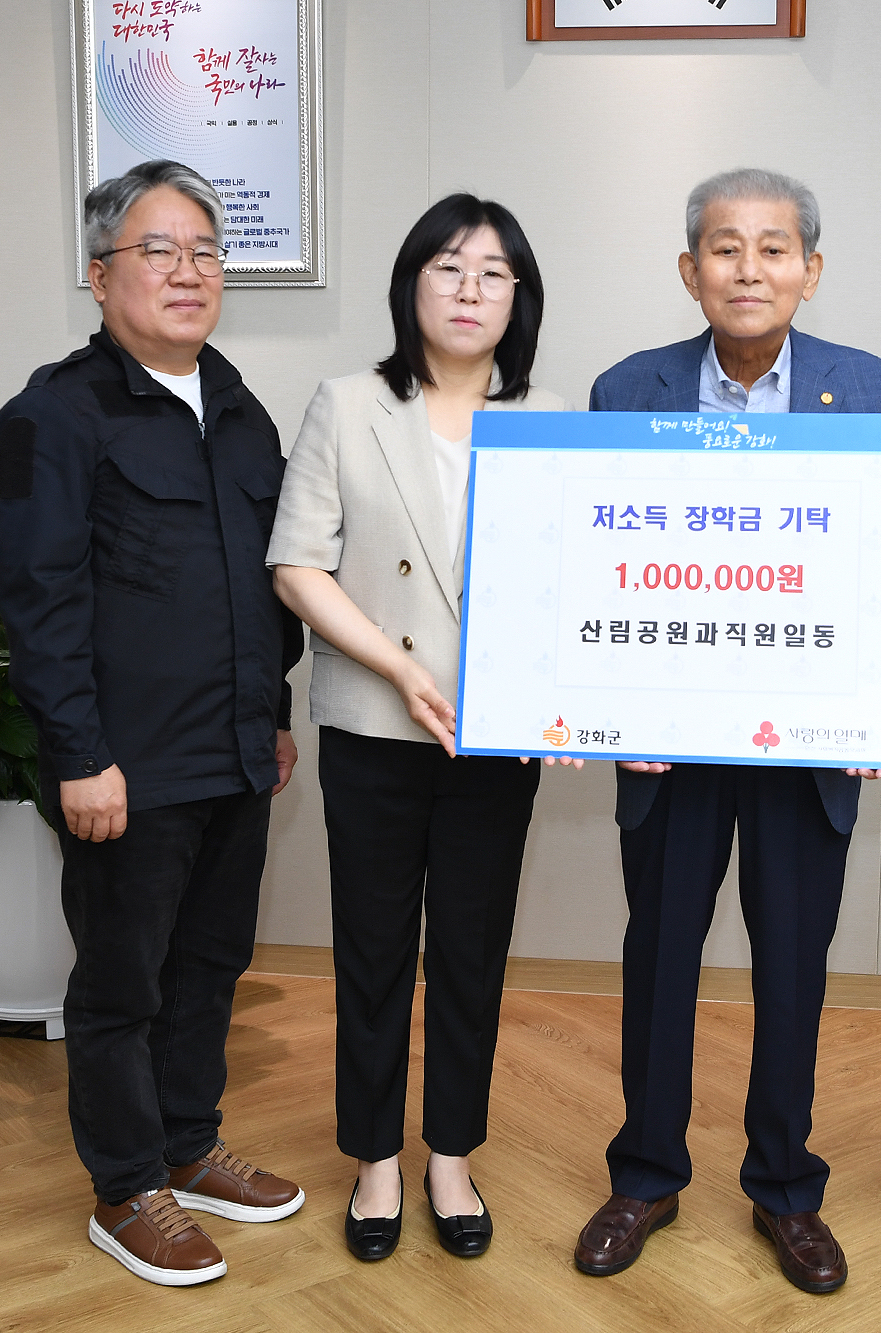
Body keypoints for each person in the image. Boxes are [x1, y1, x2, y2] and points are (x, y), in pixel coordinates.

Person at [570, 168, 881, 1296]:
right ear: (689, 270)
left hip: (807, 743)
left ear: (811, 270)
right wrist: (610, 708)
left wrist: (880, 703)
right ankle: (645, 1175)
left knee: (793, 967)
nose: (748, 269)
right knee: (660, 956)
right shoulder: (627, 389)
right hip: (670, 743)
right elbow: (599, 559)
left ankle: (786, 1188)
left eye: (773, 249)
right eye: (725, 248)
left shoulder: (873, 392)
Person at [0, 159, 306, 1288]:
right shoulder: (56, 414)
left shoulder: (240, 409)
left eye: (206, 252)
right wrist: (79, 754)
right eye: (157, 250)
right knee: (122, 981)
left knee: (211, 961)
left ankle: (187, 1143)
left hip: (235, 750)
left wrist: (271, 713)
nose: (187, 271)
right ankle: (126, 1187)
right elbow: (39, 601)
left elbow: (267, 582)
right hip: (124, 765)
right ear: (99, 273)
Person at [269, 194, 575, 1264]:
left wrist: (568, 700)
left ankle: (450, 1154)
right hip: (371, 724)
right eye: (448, 267)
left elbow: (573, 585)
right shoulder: (348, 403)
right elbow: (297, 562)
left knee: (471, 953)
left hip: (495, 737)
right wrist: (397, 666)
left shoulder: (550, 417)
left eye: (493, 273)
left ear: (518, 298)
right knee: (372, 953)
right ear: (411, 285)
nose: (469, 290)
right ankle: (374, 1159)